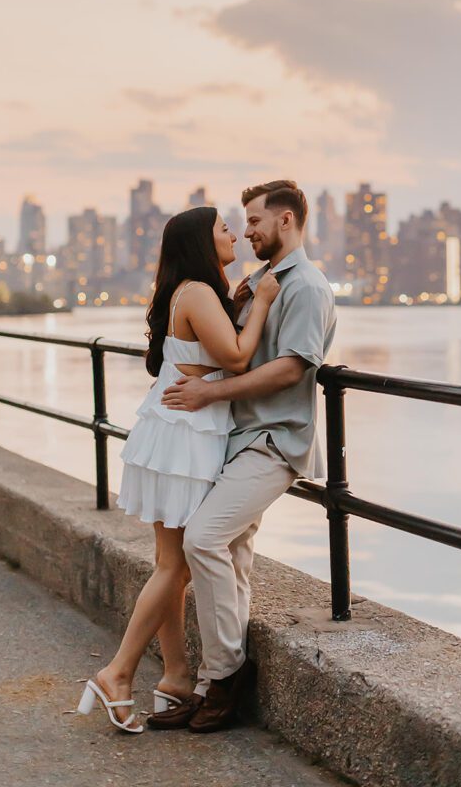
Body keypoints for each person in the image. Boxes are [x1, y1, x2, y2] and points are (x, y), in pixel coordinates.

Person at [77, 206, 279, 733]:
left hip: (171, 431)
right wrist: (260, 302)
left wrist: (238, 299)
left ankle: (174, 678)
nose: (233, 233)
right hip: (184, 437)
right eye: (223, 228)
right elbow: (236, 359)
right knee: (176, 567)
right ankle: (117, 673)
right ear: (199, 241)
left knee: (171, 564)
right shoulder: (197, 292)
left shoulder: (191, 292)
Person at [150, 179, 336, 734]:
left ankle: (225, 677)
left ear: (285, 221)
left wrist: (209, 392)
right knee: (231, 555)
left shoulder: (305, 286)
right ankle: (211, 686)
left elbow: (291, 368)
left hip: (275, 440)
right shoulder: (258, 282)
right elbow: (233, 349)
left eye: (253, 221)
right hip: (235, 438)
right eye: (241, 223)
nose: (246, 230)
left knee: (202, 538)